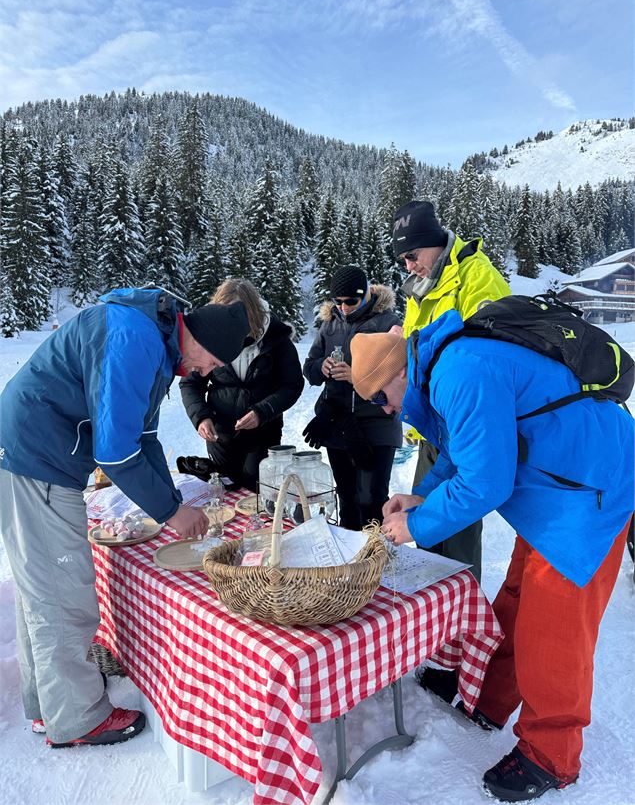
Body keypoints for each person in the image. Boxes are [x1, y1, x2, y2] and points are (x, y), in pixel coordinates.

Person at [348, 318, 634, 802]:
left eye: (379, 398)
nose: (385, 410)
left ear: (398, 373)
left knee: (554, 625)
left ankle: (551, 756)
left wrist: (415, 528)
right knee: (518, 597)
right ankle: (492, 699)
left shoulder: (460, 372)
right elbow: (462, 452)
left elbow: (487, 483)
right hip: (554, 490)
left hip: (590, 487)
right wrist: (419, 498)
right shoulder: (442, 370)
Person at [0, 287, 250, 749]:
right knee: (64, 595)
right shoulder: (137, 339)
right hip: (40, 459)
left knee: (40, 591)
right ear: (201, 338)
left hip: (32, 453)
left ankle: (48, 707)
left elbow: (146, 439)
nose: (207, 373)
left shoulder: (154, 340)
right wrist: (172, 513)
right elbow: (115, 453)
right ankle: (76, 718)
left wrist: (173, 499)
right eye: (213, 362)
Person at [392, 200, 510, 582]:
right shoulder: (418, 289)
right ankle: (434, 621)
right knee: (425, 528)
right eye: (402, 260)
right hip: (433, 428)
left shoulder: (476, 276)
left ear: (434, 242)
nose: (408, 265)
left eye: (412, 255)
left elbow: (488, 360)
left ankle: (464, 622)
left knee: (456, 534)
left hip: (464, 422)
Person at [302, 265, 402, 530]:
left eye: (351, 301)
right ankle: (351, 563)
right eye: (338, 301)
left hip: (377, 423)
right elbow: (309, 367)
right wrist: (321, 367)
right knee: (346, 496)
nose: (344, 307)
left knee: (371, 498)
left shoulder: (388, 324)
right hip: (337, 421)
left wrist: (358, 377)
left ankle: (378, 558)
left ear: (367, 294)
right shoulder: (330, 324)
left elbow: (400, 382)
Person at [179, 279, 304, 491]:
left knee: (257, 491)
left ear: (252, 313)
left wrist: (262, 411)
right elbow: (190, 383)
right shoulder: (210, 336)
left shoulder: (276, 338)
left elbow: (292, 385)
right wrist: (201, 417)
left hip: (264, 432)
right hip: (221, 433)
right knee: (224, 488)